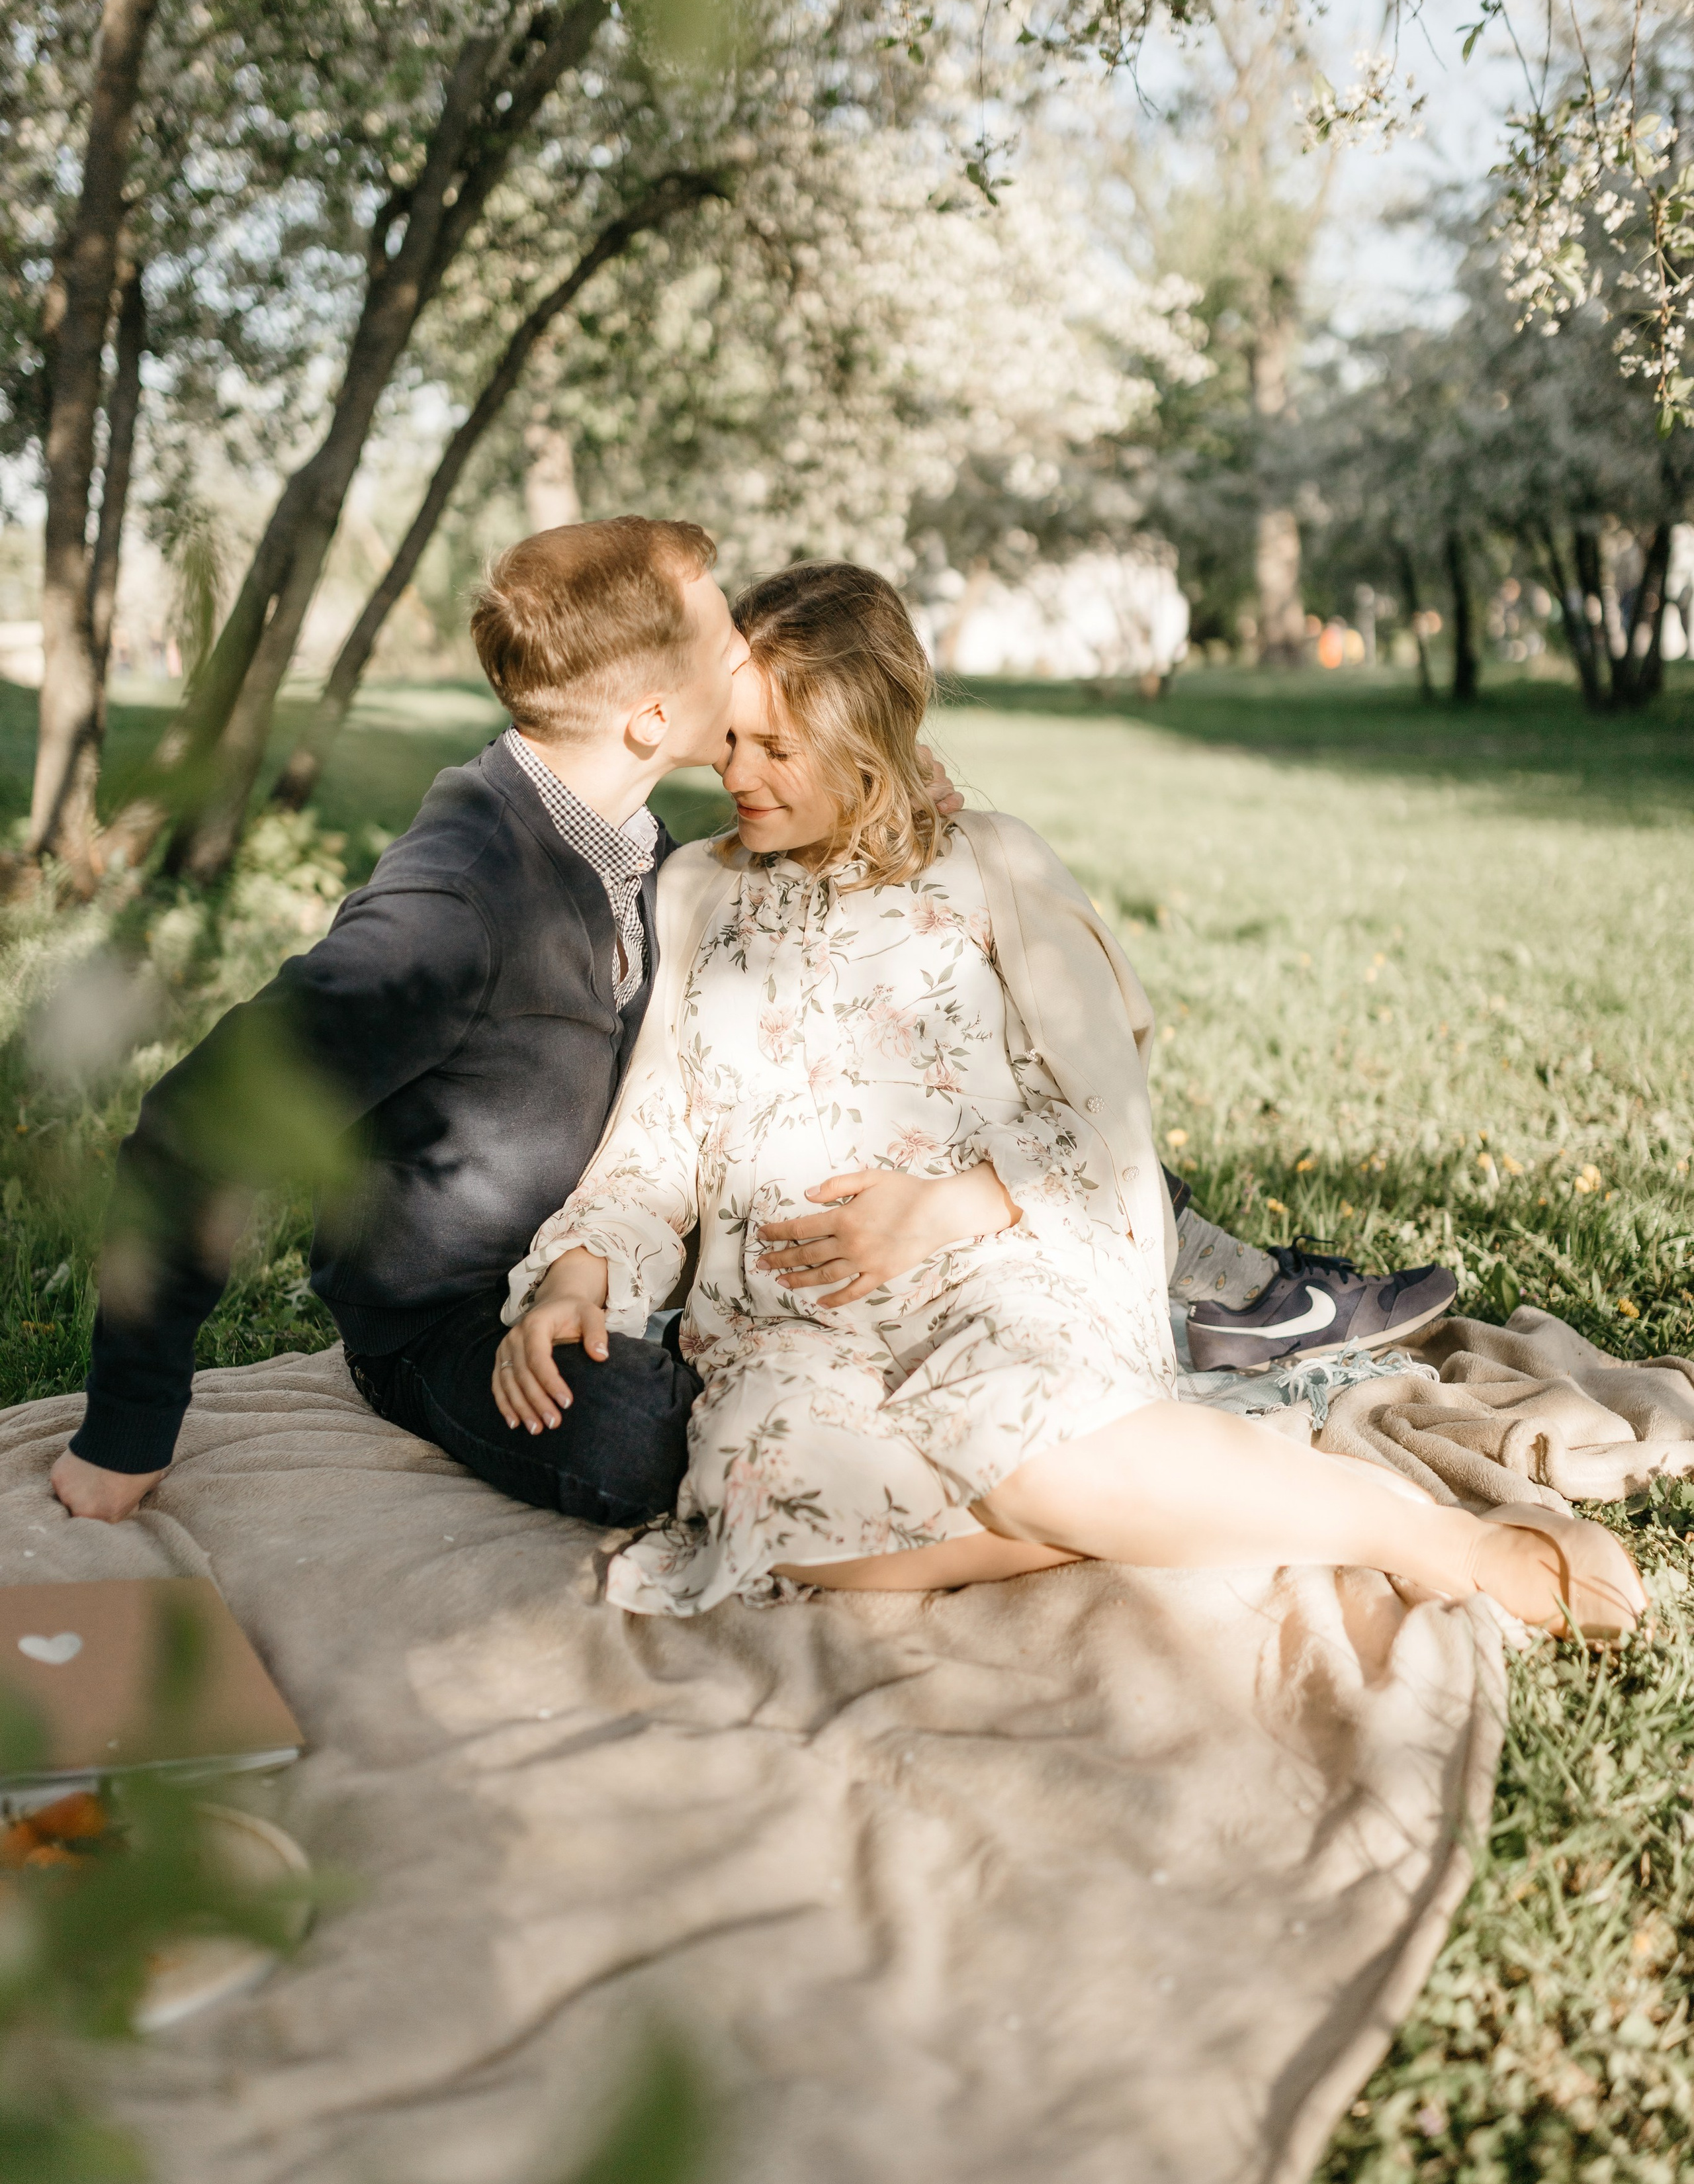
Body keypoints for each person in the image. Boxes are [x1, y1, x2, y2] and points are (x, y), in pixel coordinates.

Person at [50, 516, 1443, 1533]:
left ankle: (1195, 1296)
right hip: (466, 1305)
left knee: (950, 1095)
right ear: (661, 711)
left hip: (691, 1230)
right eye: (729, 650)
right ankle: (1155, 1371)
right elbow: (192, 1129)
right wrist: (125, 1434)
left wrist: (887, 778)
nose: (745, 663)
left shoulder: (627, 830)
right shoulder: (459, 902)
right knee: (665, 1449)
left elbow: (834, 909)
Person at [496, 563, 1644, 1639]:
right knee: (770, 1507)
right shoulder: (698, 890)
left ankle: (1427, 1538)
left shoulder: (991, 864)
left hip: (997, 1263)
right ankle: (1172, 1493)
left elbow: (1104, 1110)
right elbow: (657, 1129)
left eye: (778, 749)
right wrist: (581, 1274)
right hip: (789, 1321)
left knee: (1021, 1451)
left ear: (865, 745)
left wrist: (943, 1210)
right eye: (731, 742)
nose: (738, 774)